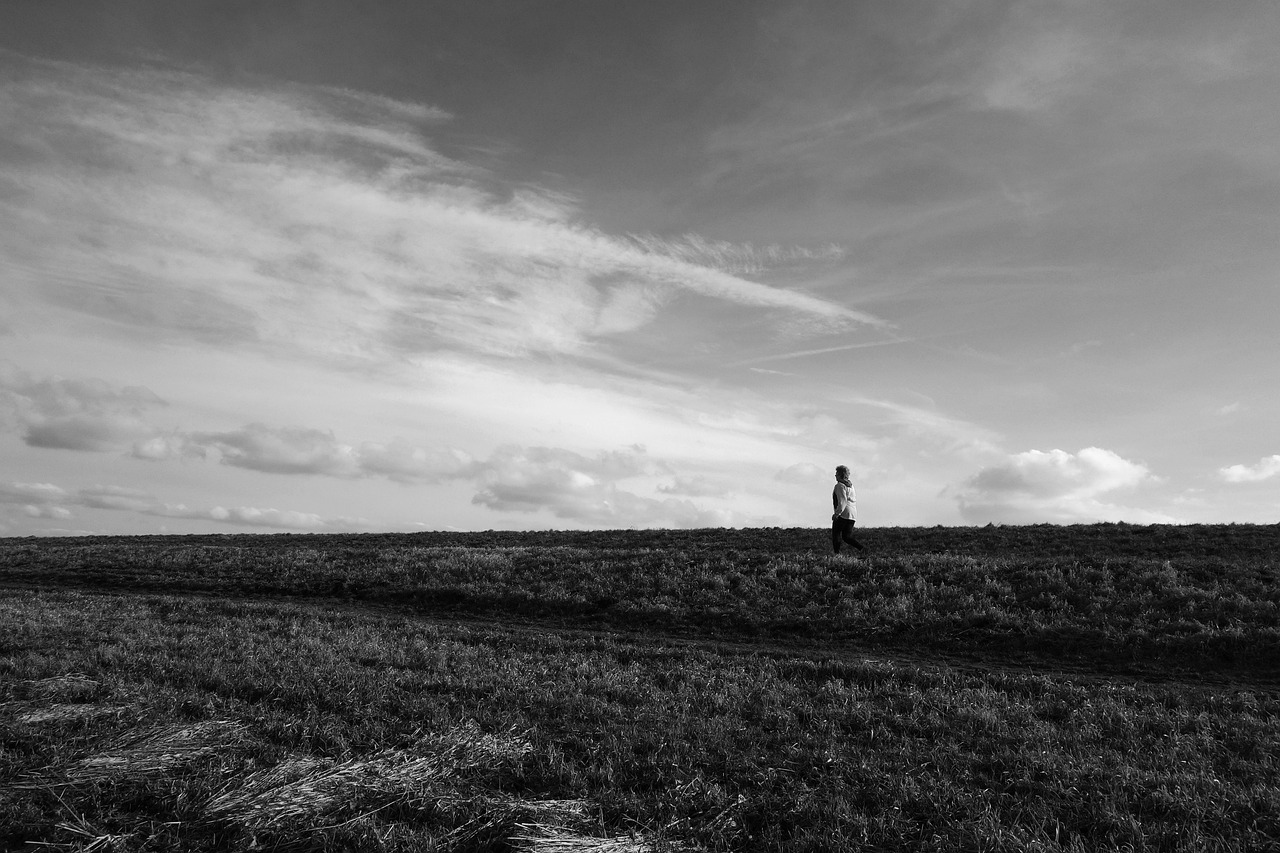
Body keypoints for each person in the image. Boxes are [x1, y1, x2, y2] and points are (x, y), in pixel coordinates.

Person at [831, 465, 866, 554]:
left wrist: (837, 513)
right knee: (847, 537)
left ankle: (837, 554)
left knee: (836, 533)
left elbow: (842, 501)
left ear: (840, 475)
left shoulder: (839, 486)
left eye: (836, 474)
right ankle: (862, 548)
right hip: (852, 514)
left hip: (844, 513)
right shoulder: (851, 486)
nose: (835, 476)